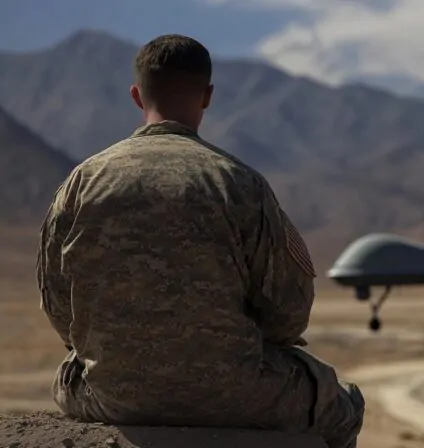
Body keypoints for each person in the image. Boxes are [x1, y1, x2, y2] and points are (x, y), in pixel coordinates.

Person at [36, 34, 364, 448]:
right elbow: (289, 313)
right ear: (207, 96)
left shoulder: (81, 182)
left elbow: (58, 306)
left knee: (65, 375)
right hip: (237, 396)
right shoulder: (241, 183)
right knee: (343, 403)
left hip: (110, 396)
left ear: (137, 96)